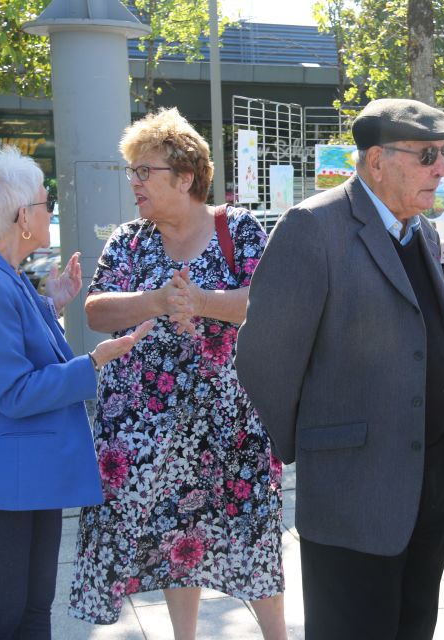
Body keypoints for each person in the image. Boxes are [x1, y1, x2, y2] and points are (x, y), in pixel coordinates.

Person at [236, 98, 444, 640]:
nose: (442, 170)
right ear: (378, 161)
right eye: (429, 154)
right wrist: (319, 447)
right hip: (351, 501)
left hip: (425, 497)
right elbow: (264, 359)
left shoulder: (424, 234)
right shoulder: (313, 227)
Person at [67, 108, 286, 640]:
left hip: (231, 426)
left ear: (185, 177)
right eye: (133, 172)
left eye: (146, 171)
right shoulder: (131, 240)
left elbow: (271, 303)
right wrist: (159, 301)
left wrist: (203, 301)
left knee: (252, 537)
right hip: (150, 428)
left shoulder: (237, 229)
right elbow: (95, 309)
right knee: (174, 542)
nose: (135, 183)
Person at [0, 147, 151, 639]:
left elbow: (9, 349)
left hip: (20, 475)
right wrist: (94, 363)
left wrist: (50, 303)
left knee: (31, 612)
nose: (48, 208)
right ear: (21, 217)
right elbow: (14, 392)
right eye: (42, 200)